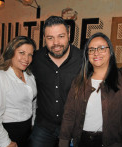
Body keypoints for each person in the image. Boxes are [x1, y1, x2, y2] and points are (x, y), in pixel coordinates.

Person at [59, 32, 122, 147]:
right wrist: (63, 142)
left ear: (110, 52)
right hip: (81, 141)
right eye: (91, 49)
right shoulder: (79, 81)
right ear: (87, 54)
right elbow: (69, 114)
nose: (96, 52)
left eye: (101, 48)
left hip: (112, 143)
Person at [29, 16, 83, 147]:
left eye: (61, 36)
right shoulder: (35, 59)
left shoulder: (83, 59)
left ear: (69, 35)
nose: (56, 43)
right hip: (43, 126)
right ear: (44, 38)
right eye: (50, 38)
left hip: (72, 128)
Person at [0, 36, 37, 147]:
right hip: (8, 134)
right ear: (10, 53)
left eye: (30, 55)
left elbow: (32, 102)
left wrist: (33, 122)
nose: (26, 59)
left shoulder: (29, 76)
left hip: (27, 132)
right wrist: (5, 142)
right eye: (22, 53)